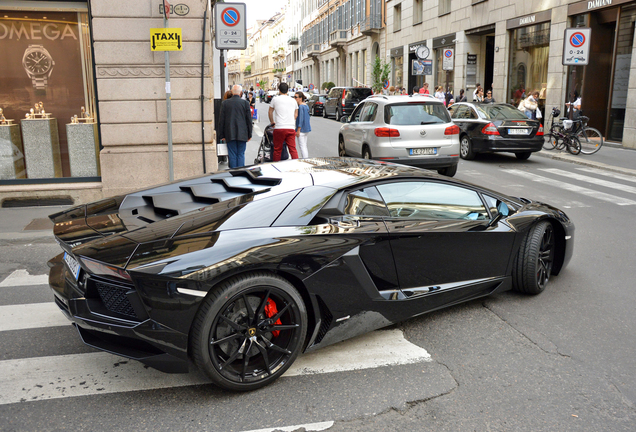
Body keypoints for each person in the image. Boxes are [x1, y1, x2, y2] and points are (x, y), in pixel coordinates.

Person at [217, 84, 253, 169]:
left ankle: (233, 173)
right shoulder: (245, 103)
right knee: (240, 153)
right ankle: (240, 172)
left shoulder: (225, 103)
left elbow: (221, 120)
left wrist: (221, 135)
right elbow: (249, 120)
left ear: (232, 92)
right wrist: (249, 134)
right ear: (241, 92)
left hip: (229, 133)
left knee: (232, 153)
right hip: (243, 133)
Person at [268, 82, 299, 161]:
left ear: (279, 90)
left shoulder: (275, 99)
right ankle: (297, 166)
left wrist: (272, 122)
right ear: (288, 90)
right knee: (292, 149)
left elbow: (270, 112)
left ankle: (276, 167)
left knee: (277, 150)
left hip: (279, 128)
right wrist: (291, 121)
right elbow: (296, 114)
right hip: (290, 128)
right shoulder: (293, 101)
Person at [294, 91, 311, 159]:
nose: (295, 99)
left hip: (301, 129)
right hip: (306, 128)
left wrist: (298, 129)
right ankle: (306, 159)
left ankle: (305, 160)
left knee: (302, 146)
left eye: (296, 97)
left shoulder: (300, 107)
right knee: (304, 145)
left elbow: (300, 119)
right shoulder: (305, 105)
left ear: (300, 98)